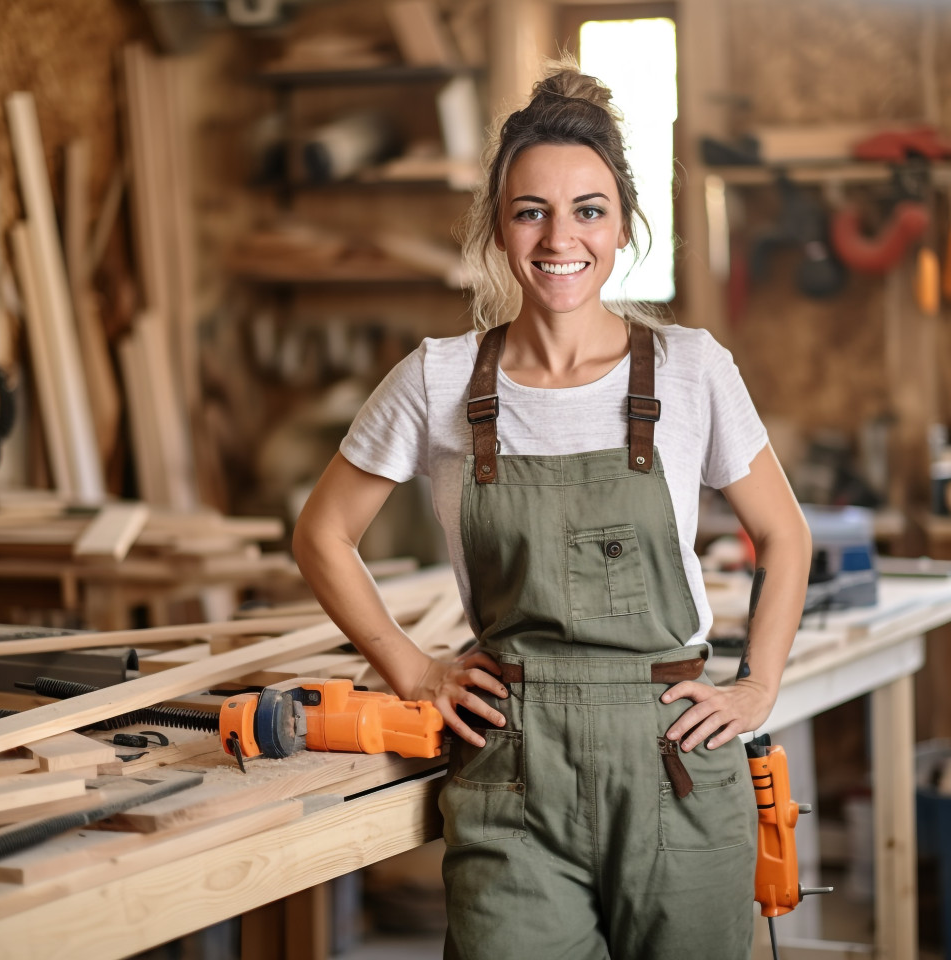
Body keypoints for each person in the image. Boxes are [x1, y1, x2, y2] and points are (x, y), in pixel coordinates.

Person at [292, 59, 811, 960]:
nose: (558, 237)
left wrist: (758, 686)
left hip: (673, 759)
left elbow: (785, 536)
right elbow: (322, 534)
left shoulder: (690, 368)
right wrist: (413, 670)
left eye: (588, 210)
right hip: (512, 767)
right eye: (531, 210)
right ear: (498, 225)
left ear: (622, 227)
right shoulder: (440, 378)